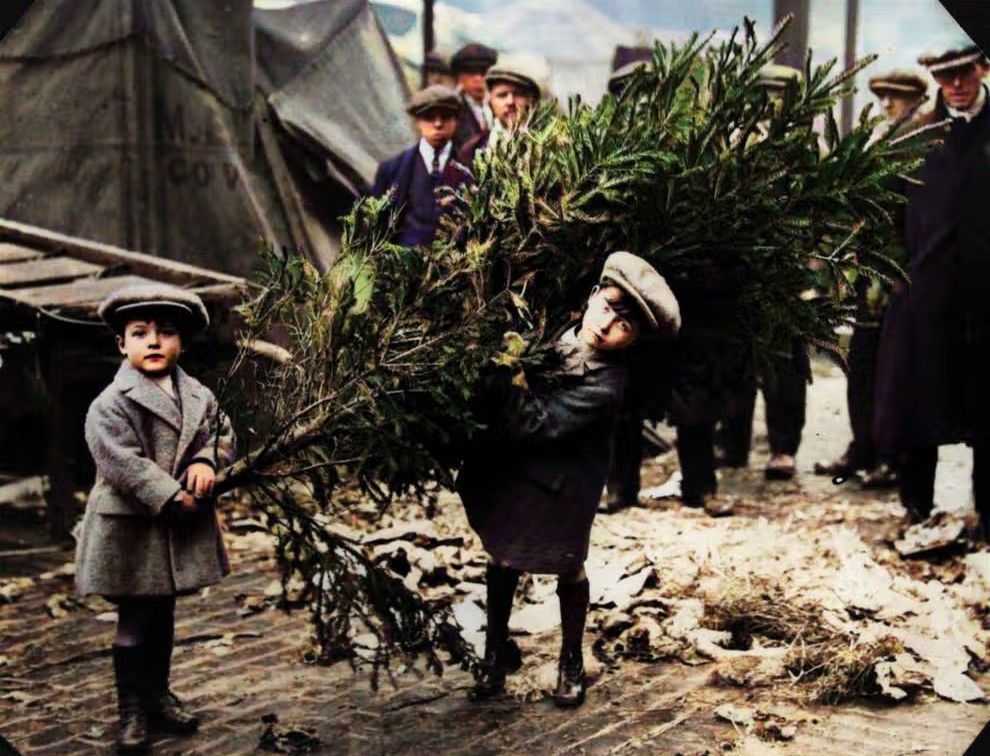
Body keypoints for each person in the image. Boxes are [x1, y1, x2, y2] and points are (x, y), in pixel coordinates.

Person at [458, 252, 680, 707]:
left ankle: (570, 660)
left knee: (566, 562)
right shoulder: (552, 330)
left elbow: (536, 424)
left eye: (626, 325)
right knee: (503, 556)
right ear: (592, 296)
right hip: (518, 469)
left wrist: (513, 371)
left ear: (633, 340)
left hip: (566, 481)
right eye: (608, 306)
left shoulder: (606, 383)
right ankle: (495, 652)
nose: (608, 324)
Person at [74, 284, 236, 753]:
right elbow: (121, 461)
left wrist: (207, 460)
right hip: (132, 525)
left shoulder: (198, 394)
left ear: (182, 344)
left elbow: (222, 433)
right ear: (121, 344)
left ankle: (158, 693)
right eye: (140, 332)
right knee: (134, 619)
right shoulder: (111, 402)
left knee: (162, 613)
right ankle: (131, 708)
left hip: (175, 525)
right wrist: (169, 495)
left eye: (166, 333)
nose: (153, 341)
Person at [874, 41, 990, 537]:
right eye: (946, 77)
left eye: (963, 73)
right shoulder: (914, 135)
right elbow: (884, 211)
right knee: (917, 404)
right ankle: (916, 509)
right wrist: (893, 275)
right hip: (926, 293)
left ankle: (988, 517)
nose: (956, 86)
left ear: (983, 68)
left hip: (987, 296)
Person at [814, 70, 926, 487]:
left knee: (890, 372)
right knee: (862, 364)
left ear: (914, 100)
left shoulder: (919, 141)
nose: (886, 106)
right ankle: (863, 447)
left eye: (894, 99)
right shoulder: (887, 140)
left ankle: (889, 455)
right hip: (871, 275)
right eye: (883, 99)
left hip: (900, 276)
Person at [716, 64, 811, 482]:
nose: (768, 107)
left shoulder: (805, 151)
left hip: (786, 272)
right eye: (763, 97)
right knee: (735, 361)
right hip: (740, 269)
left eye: (777, 97)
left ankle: (783, 448)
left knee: (783, 363)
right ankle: (734, 444)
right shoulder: (733, 147)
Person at [371, 85, 473, 248]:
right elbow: (374, 227)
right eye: (429, 117)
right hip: (404, 265)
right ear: (417, 121)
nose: (438, 124)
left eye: (445, 116)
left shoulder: (473, 167)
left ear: (456, 120)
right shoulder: (392, 169)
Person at [457, 64, 541, 166]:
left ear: (531, 101)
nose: (510, 102)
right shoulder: (472, 151)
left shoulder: (550, 147)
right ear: (490, 101)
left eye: (518, 94)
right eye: (502, 95)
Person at [450, 42, 498, 151]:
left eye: (483, 72)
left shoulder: (500, 106)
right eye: (471, 73)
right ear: (459, 78)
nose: (478, 79)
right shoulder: (452, 111)